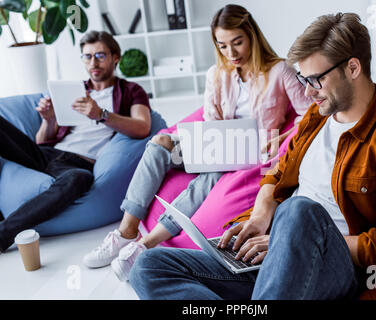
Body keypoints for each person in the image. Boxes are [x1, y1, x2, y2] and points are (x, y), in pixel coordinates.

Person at [127, 12, 376, 300]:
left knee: (298, 211)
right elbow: (277, 174)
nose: (307, 92)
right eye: (303, 80)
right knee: (150, 266)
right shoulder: (318, 118)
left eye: (315, 80)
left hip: (335, 267)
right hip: (275, 256)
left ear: (353, 68)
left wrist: (286, 241)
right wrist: (263, 214)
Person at [83, 4, 311, 282]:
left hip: (253, 152)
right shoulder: (217, 74)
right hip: (218, 143)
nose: (231, 53)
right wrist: (187, 141)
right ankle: (126, 231)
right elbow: (209, 119)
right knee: (158, 144)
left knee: (209, 177)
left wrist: (282, 138)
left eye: (238, 42)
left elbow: (308, 113)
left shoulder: (279, 71)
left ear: (252, 36)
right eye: (223, 45)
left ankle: (146, 245)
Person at [0, 31, 151, 252]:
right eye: (87, 56)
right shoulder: (73, 90)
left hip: (78, 164)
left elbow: (143, 126)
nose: (93, 62)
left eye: (100, 55)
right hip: (47, 155)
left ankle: (4, 233)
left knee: (79, 179)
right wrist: (48, 119)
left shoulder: (131, 91)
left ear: (115, 57)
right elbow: (41, 141)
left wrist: (102, 114)